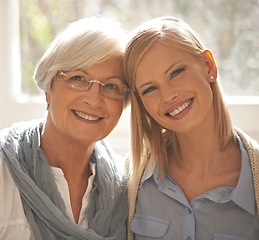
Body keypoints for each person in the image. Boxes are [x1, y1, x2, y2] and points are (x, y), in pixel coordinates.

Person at [123, 16, 259, 240]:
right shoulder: (133, 181)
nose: (168, 96)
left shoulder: (254, 181)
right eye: (150, 89)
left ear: (208, 66)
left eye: (176, 72)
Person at [0, 16, 130, 240]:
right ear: (48, 88)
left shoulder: (128, 187)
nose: (94, 100)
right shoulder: (3, 172)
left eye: (111, 86)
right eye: (78, 78)